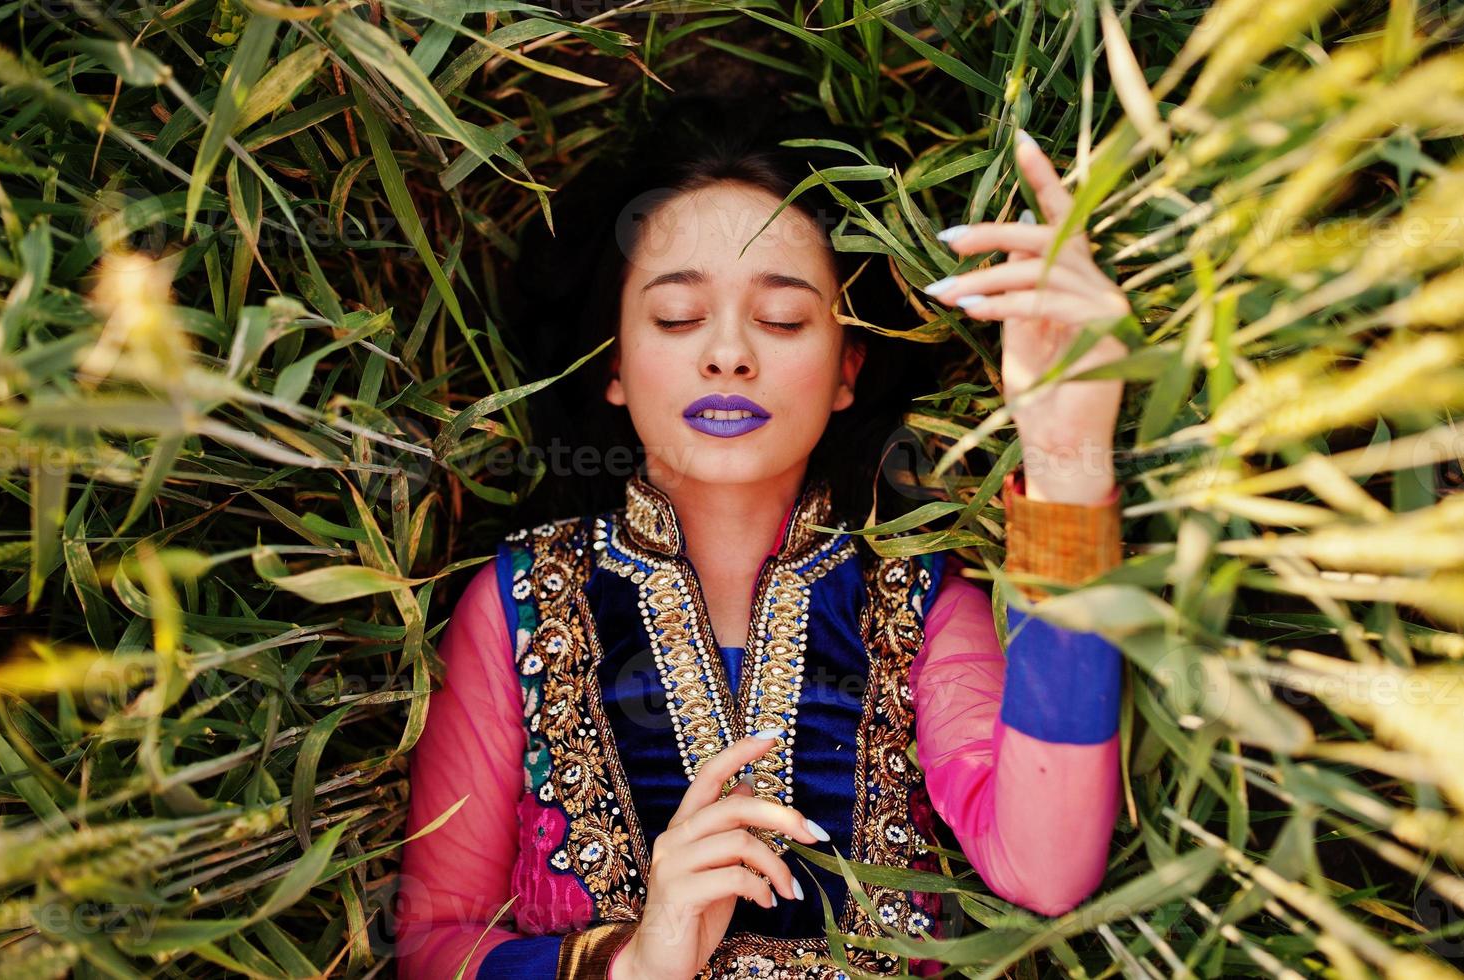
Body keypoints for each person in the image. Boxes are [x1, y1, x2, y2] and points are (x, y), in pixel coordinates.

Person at [394, 95, 1132, 979]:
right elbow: (434, 944)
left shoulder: (921, 602)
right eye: (676, 318)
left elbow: (1046, 869)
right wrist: (630, 965)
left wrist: (1065, 462)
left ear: (848, 368)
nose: (729, 354)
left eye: (782, 319)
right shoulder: (520, 603)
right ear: (615, 365)